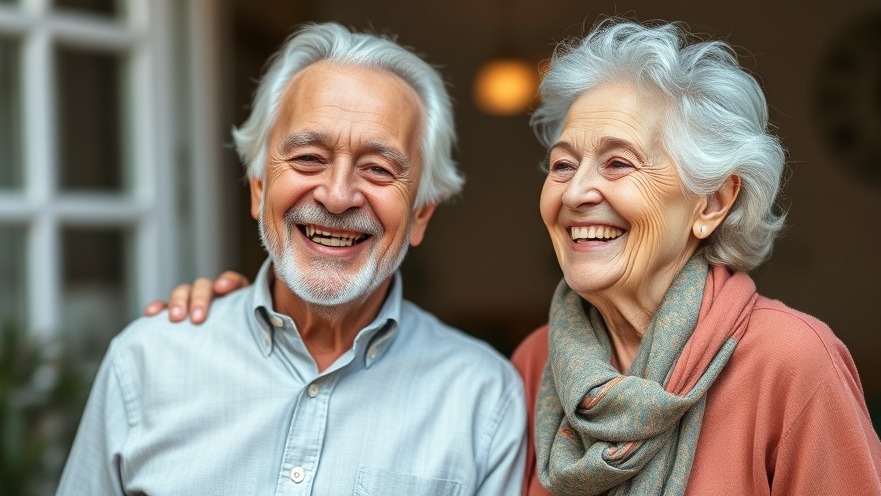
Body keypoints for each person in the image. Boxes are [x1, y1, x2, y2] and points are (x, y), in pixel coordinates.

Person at [149, 19, 881, 496]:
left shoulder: (789, 363)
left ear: (712, 202)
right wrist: (245, 314)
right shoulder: (534, 367)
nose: (576, 192)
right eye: (562, 165)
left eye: (618, 164)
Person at [57, 22, 526, 495]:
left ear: (421, 213)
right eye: (307, 158)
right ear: (259, 187)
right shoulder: (146, 361)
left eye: (378, 169)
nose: (338, 196)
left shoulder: (483, 400)